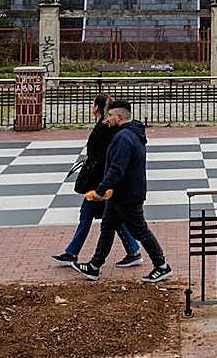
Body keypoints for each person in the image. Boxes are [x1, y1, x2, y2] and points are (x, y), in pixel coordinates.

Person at [72, 99, 172, 283]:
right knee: (107, 227)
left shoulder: (123, 138)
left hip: (127, 194)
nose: (107, 119)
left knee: (140, 231)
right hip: (120, 194)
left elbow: (117, 169)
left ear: (119, 117)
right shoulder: (128, 134)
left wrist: (100, 190)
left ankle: (162, 266)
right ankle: (94, 266)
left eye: (110, 116)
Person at [51, 94, 142, 268]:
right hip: (101, 182)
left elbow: (102, 157)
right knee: (109, 219)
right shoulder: (105, 128)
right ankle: (132, 251)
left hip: (99, 183)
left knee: (101, 218)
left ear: (96, 108)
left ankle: (77, 255)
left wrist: (102, 186)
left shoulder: (103, 129)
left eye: (93, 104)